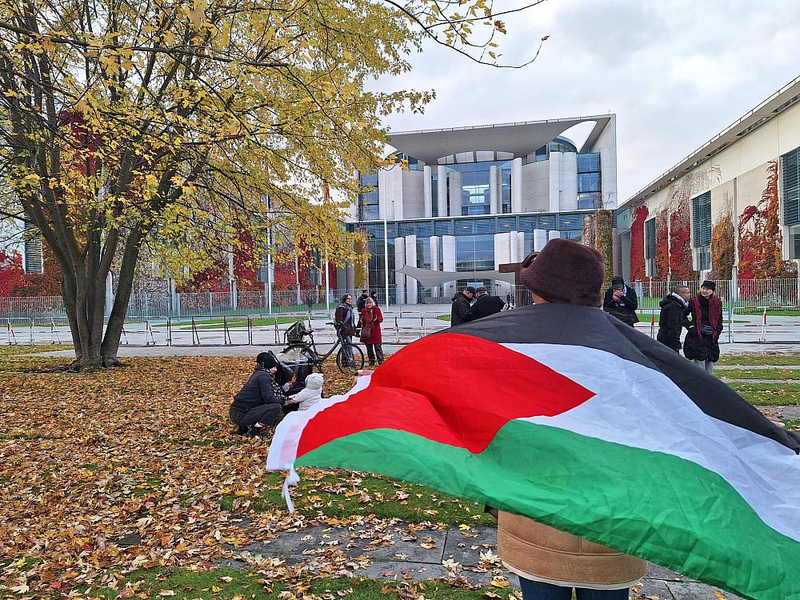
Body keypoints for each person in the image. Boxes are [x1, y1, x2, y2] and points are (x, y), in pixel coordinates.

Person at [496, 239, 646, 600]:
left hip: (538, 518)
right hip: (611, 522)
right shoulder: (630, 353)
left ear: (543, 293)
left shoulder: (518, 352)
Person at [229, 352, 286, 437]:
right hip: (241, 415)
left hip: (235, 411)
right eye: (273, 367)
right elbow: (269, 398)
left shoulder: (258, 373)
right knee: (276, 407)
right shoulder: (264, 376)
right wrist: (285, 401)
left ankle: (243, 427)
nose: (275, 370)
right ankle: (255, 430)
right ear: (267, 366)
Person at [683, 280, 723, 374]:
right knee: (699, 359)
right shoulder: (694, 301)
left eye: (707, 289)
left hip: (711, 335)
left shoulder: (717, 302)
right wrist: (690, 326)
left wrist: (718, 330)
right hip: (697, 334)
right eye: (703, 288)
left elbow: (719, 318)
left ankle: (709, 383)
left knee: (710, 359)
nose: (704, 291)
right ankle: (700, 383)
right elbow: (682, 315)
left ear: (712, 291)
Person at [657, 285, 691, 351]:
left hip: (665, 337)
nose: (689, 295)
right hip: (668, 340)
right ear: (681, 294)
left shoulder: (676, 304)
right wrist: (676, 343)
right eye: (688, 293)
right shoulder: (674, 306)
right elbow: (673, 326)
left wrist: (688, 324)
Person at [358, 296, 384, 366]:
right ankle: (371, 360)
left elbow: (381, 319)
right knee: (369, 348)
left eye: (370, 303)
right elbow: (361, 320)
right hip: (367, 332)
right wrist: (361, 321)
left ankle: (380, 360)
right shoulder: (363, 310)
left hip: (375, 331)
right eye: (367, 303)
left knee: (377, 347)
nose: (368, 304)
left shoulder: (377, 309)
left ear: (372, 303)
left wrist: (377, 319)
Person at [334, 293, 357, 364]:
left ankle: (346, 361)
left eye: (350, 299)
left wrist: (354, 328)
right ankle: (348, 361)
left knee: (347, 345)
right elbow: (339, 319)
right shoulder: (341, 307)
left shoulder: (349, 308)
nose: (350, 300)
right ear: (345, 299)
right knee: (347, 345)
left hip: (349, 329)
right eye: (348, 299)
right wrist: (343, 327)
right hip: (344, 330)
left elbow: (351, 320)